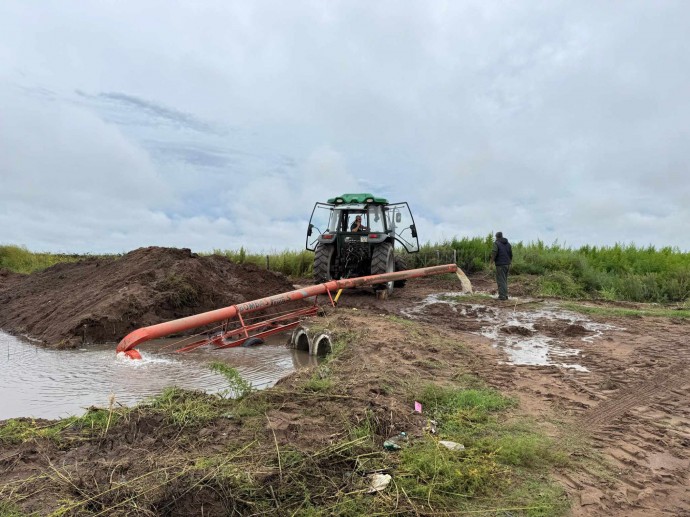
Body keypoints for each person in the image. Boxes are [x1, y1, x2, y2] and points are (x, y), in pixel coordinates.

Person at [490, 231, 513, 300]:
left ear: (496, 237)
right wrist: (509, 262)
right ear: (502, 236)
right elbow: (511, 254)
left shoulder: (496, 243)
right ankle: (505, 295)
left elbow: (494, 253)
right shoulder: (508, 244)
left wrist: (491, 263)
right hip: (507, 264)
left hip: (500, 265)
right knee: (504, 280)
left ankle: (502, 296)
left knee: (501, 280)